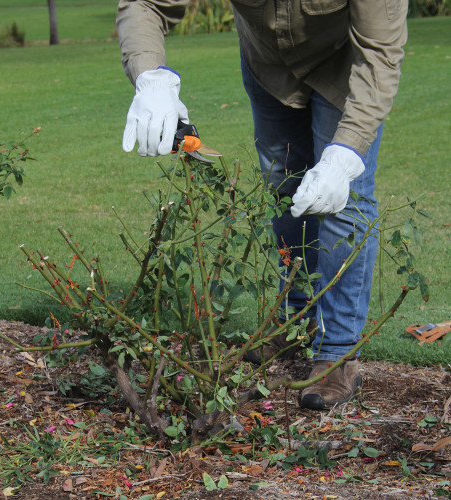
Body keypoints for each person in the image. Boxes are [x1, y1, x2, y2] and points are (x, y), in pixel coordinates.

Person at [116, 0, 408, 410]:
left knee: (343, 200)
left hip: (347, 67)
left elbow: (380, 52)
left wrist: (346, 154)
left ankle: (338, 352)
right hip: (268, 67)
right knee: (284, 188)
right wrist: (151, 78)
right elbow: (147, 3)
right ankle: (295, 321)